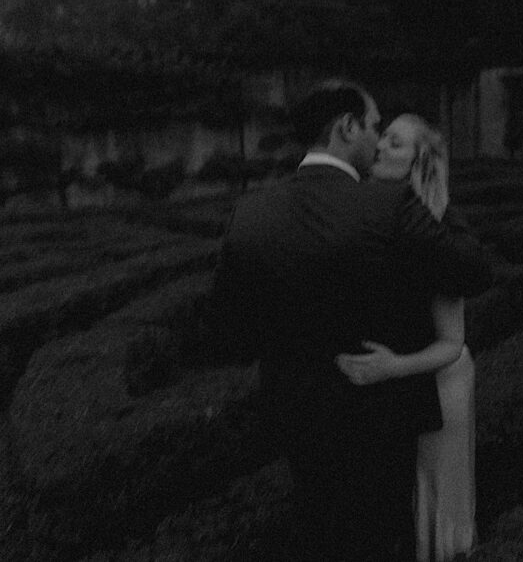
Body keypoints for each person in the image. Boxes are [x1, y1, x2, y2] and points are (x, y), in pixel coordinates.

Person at [207, 80, 492, 560]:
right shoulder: (387, 206)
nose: (378, 137)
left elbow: (227, 334)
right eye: (374, 124)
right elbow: (476, 272)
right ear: (347, 127)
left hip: (295, 410)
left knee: (319, 531)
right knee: (375, 536)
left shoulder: (250, 212)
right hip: (375, 415)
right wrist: (440, 199)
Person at [335, 114, 477, 562]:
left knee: (430, 497)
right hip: (395, 384)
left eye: (395, 144)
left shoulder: (438, 231)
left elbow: (452, 341)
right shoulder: (375, 213)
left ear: (420, 162)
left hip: (437, 381)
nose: (379, 148)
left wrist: (392, 366)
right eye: (384, 139)